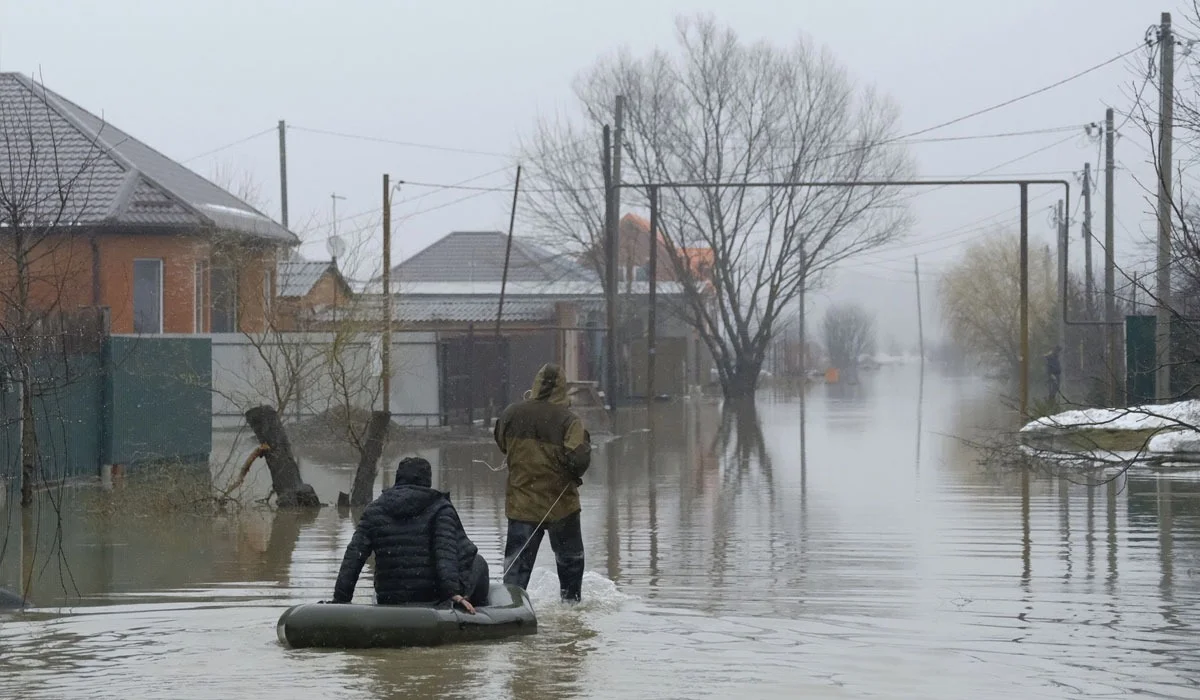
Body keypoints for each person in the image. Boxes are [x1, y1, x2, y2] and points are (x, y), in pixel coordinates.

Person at [330, 456, 488, 612]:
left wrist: (340, 598)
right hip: (431, 596)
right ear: (427, 480)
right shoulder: (440, 508)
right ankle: (480, 612)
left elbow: (353, 557)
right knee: (478, 562)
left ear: (398, 478)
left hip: (390, 597)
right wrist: (452, 593)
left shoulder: (374, 510)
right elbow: (445, 552)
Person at [494, 363, 592, 603]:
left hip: (522, 505)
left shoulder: (510, 413)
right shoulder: (570, 420)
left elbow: (501, 443)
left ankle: (511, 614)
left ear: (535, 385)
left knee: (515, 573)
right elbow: (578, 461)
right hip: (561, 507)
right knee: (570, 568)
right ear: (563, 389)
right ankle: (571, 615)